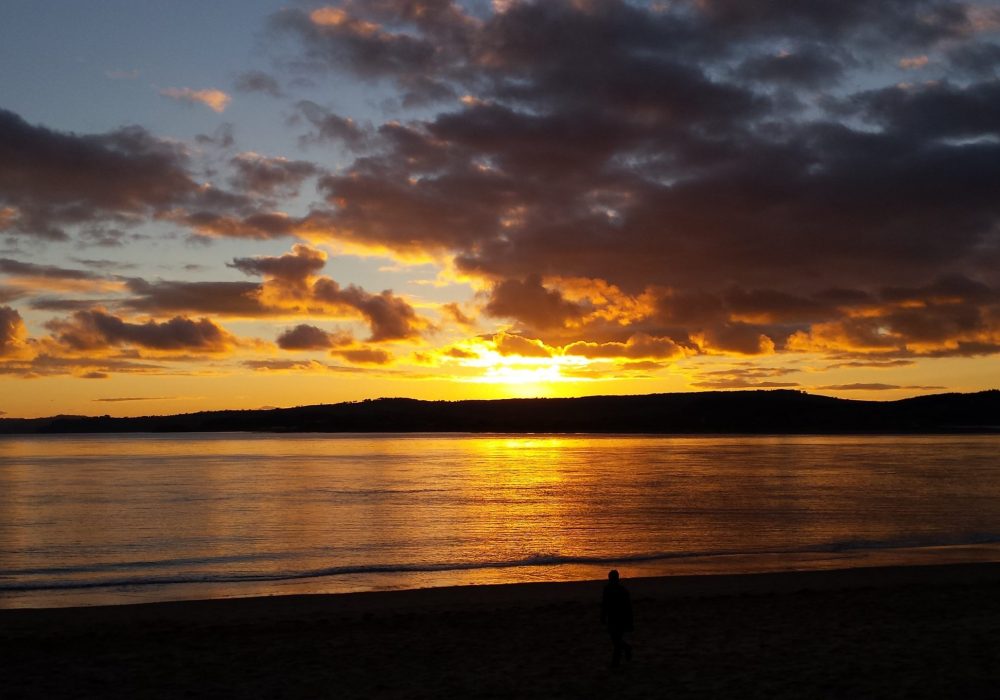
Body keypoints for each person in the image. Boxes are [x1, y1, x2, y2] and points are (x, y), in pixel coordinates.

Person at [601, 569, 633, 667]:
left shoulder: (609, 590)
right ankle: (626, 648)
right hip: (618, 618)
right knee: (616, 640)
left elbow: (604, 605)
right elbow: (628, 608)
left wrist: (602, 617)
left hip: (616, 618)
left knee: (616, 641)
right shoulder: (621, 590)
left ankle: (615, 663)